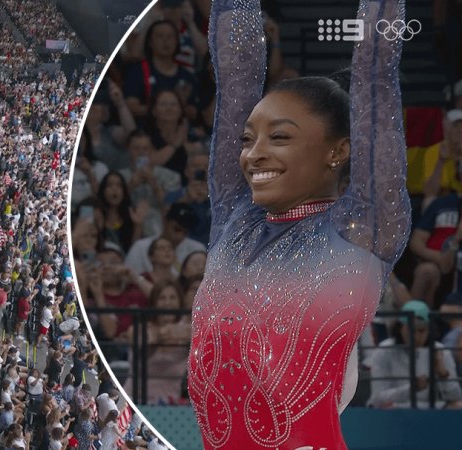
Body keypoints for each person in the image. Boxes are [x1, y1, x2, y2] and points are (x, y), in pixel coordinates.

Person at [187, 1, 410, 449]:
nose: (253, 155)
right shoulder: (236, 217)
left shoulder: (362, 228)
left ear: (338, 151)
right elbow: (235, 80)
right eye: (248, 139)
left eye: (281, 137)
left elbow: (374, 72)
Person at [366, 300, 462, 409]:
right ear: (400, 328)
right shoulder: (384, 351)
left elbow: (456, 397)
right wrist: (412, 388)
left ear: (429, 330)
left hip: (432, 410)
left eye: (421, 331)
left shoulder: (440, 351)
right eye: (410, 330)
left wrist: (443, 374)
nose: (415, 336)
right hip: (395, 410)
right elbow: (377, 398)